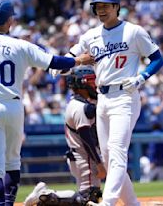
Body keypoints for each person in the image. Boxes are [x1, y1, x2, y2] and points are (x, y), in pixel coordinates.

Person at [0, 0, 93, 206]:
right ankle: (8, 204)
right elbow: (54, 62)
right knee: (12, 162)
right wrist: (78, 60)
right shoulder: (20, 45)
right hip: (14, 106)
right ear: (9, 20)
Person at [66, 0, 163, 206]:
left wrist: (142, 77)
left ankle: (108, 202)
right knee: (109, 159)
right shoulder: (91, 35)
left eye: (105, 6)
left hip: (126, 96)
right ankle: (132, 204)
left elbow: (157, 59)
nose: (101, 10)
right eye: (97, 6)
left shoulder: (133, 31)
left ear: (116, 7)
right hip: (103, 99)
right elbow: (71, 55)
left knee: (118, 152)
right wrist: (58, 64)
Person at [24, 66, 106, 206]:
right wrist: (99, 164)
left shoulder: (78, 103)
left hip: (79, 156)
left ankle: (47, 195)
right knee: (89, 198)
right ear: (82, 84)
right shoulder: (80, 107)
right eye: (91, 80)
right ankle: (47, 195)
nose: (95, 84)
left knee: (91, 196)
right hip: (84, 157)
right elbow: (87, 139)